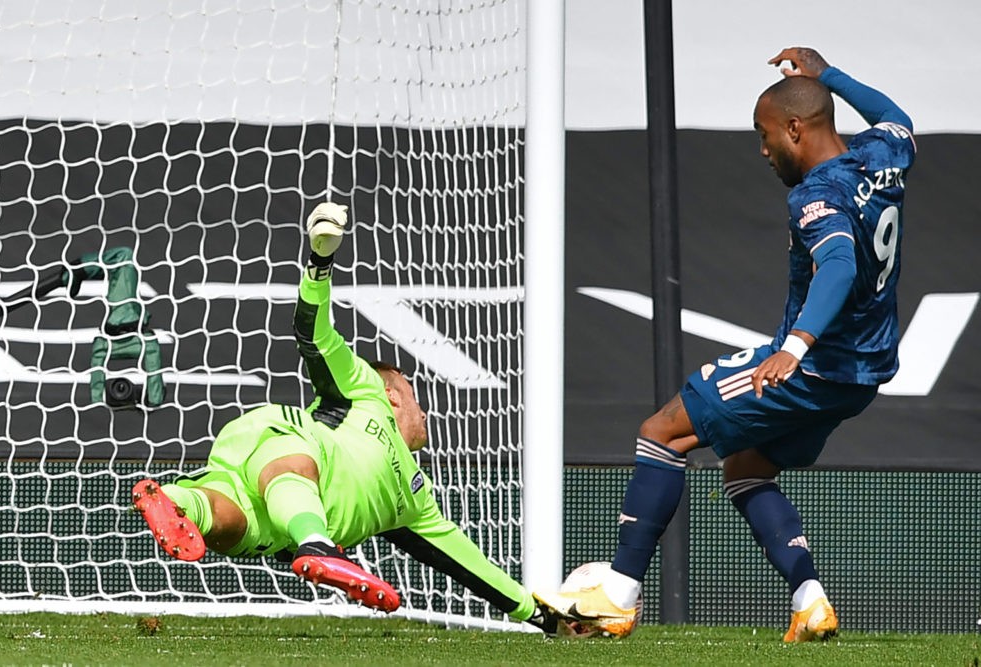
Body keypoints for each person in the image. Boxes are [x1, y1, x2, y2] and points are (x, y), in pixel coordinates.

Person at [535, 46, 916, 642]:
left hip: (811, 367)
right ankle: (810, 600)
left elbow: (838, 264)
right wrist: (829, 75)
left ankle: (618, 594)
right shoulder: (884, 154)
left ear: (796, 128)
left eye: (766, 136)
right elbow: (896, 117)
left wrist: (794, 346)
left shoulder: (818, 196)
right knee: (744, 468)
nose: (763, 151)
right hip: (864, 371)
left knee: (662, 432)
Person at [133, 201, 561, 634]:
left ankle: (172, 501)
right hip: (285, 444)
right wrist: (321, 260)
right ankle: (317, 544)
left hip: (278, 518)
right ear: (392, 394)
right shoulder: (364, 389)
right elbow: (313, 332)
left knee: (230, 522)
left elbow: (465, 561)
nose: (424, 412)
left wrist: (539, 614)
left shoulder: (416, 502)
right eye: (415, 398)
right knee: (297, 463)